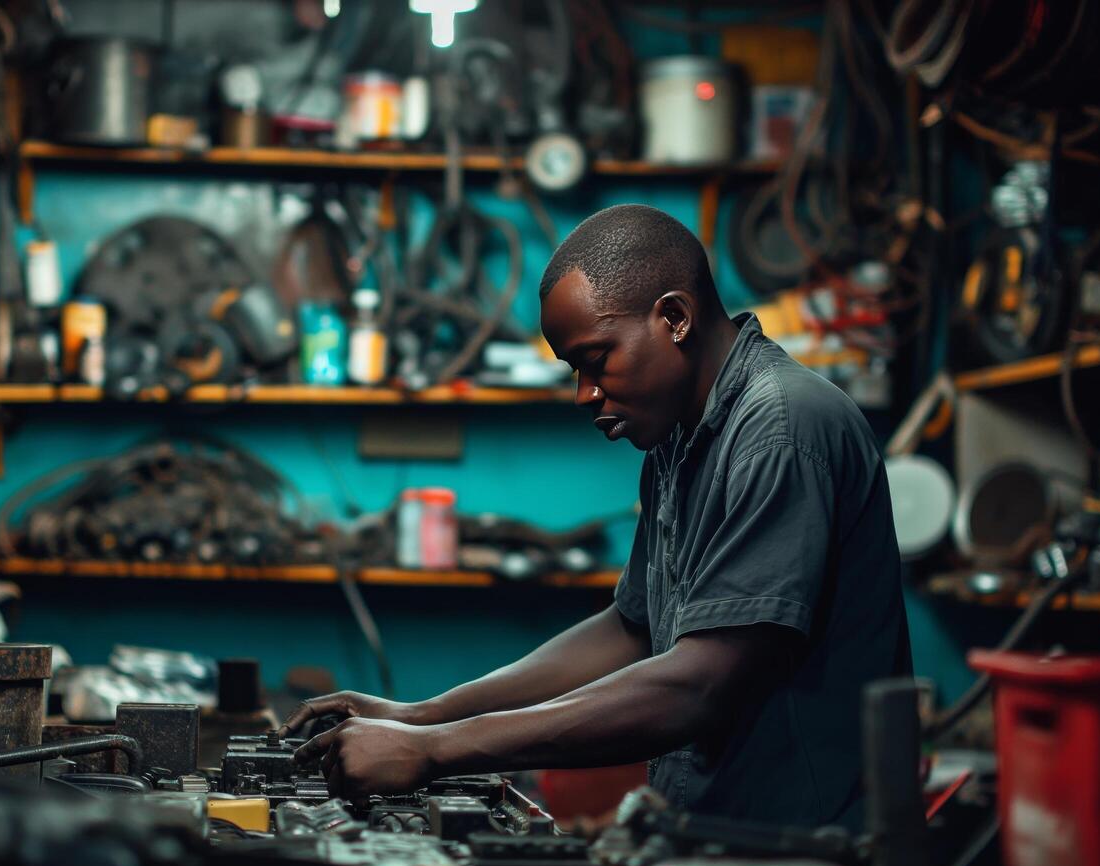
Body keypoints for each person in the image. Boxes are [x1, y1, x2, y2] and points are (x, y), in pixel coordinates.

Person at [280, 204, 911, 830]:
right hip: (716, 843)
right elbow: (631, 630)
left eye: (596, 359)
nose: (584, 393)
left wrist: (435, 751)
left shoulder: (780, 428)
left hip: (804, 859)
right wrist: (421, 715)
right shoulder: (677, 442)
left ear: (674, 318)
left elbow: (700, 684)